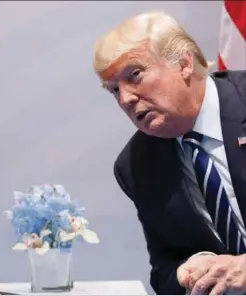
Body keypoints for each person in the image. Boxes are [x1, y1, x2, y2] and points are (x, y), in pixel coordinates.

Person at [92, 11, 246, 295]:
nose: (125, 99)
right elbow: (163, 272)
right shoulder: (137, 163)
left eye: (134, 75)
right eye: (114, 90)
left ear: (184, 63)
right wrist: (191, 269)